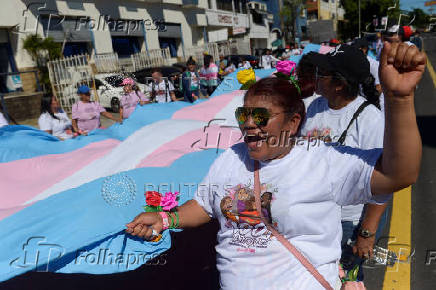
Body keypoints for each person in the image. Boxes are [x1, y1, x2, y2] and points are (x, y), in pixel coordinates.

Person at [126, 42, 426, 289]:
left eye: (260, 118)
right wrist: (166, 220)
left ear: (294, 122)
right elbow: (204, 205)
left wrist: (400, 98)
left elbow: (398, 173)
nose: (249, 127)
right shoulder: (231, 158)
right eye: (244, 117)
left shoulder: (323, 161)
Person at [300, 44, 387, 283]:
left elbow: (382, 181)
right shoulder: (315, 107)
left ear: (339, 84)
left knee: (345, 280)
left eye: (322, 74)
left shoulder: (370, 120)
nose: (316, 77)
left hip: (348, 222)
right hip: (315, 216)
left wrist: (366, 233)